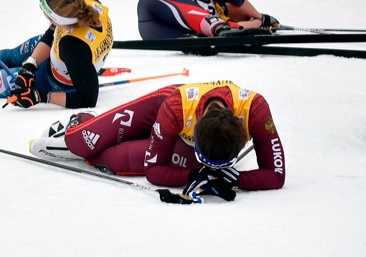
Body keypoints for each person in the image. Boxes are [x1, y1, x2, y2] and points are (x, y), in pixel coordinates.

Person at [33, 80, 284, 203]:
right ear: (196, 134)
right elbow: (154, 171)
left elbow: (277, 175)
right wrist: (192, 175)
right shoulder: (178, 107)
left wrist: (237, 178)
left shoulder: (256, 110)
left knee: (113, 160)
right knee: (83, 143)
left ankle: (119, 139)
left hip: (180, 138)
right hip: (163, 108)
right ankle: (85, 120)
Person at [136, 0, 279, 39]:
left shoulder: (224, 25)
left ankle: (194, 43)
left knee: (213, 31)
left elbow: (233, 28)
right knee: (211, 23)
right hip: (154, 1)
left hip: (154, 31)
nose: (245, 17)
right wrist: (260, 17)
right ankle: (208, 24)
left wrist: (256, 24)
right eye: (247, 15)